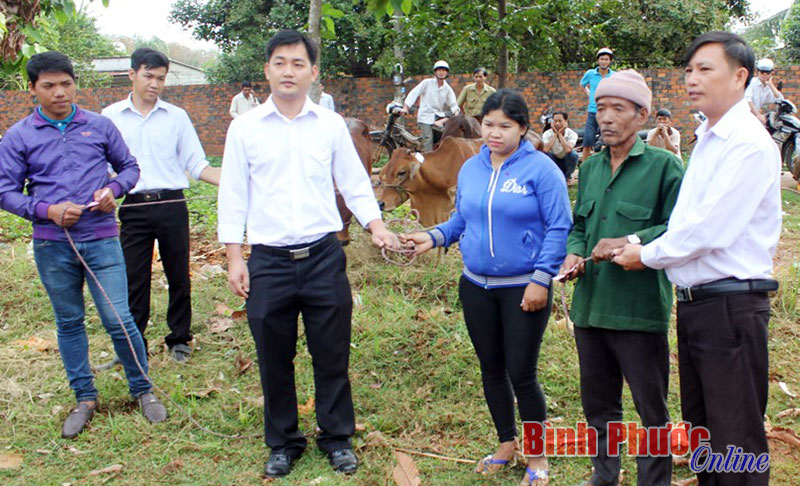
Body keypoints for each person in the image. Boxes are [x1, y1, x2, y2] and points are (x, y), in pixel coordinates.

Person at [217, 30, 399, 478]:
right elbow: (233, 195)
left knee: (331, 351)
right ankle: (283, 442)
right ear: (267, 70)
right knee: (274, 357)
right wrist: (235, 257)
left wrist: (376, 225)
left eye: (298, 63)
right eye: (280, 62)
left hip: (322, 255)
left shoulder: (329, 125)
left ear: (313, 72)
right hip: (269, 261)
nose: (288, 71)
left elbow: (354, 182)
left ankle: (336, 437)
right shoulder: (244, 129)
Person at [614, 32, 781, 486]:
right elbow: (686, 221)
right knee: (705, 431)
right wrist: (635, 239)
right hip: (699, 304)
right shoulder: (708, 137)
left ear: (740, 76)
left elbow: (710, 230)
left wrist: (645, 255)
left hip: (730, 306)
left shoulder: (745, 142)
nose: (691, 79)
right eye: (688, 70)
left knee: (735, 438)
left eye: (705, 69)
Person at [402, 89, 572, 486]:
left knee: (522, 373)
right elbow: (462, 219)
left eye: (505, 126)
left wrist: (541, 278)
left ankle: (538, 454)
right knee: (492, 368)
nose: (494, 134)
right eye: (489, 125)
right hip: (475, 285)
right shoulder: (473, 169)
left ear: (524, 128)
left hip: (523, 288)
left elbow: (559, 227)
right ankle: (506, 442)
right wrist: (434, 236)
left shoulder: (542, 170)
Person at [0, 52, 167, 438]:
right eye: (49, 86)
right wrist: (46, 210)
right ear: (33, 89)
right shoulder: (19, 136)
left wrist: (112, 190)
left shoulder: (99, 125)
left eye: (66, 84)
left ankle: (143, 390)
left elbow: (130, 168)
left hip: (102, 239)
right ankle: (84, 397)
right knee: (69, 322)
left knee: (118, 319)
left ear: (76, 84)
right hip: (52, 246)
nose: (59, 92)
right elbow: (6, 192)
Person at [560, 70, 684, 486]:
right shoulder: (591, 168)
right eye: (601, 109)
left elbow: (679, 229)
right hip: (591, 308)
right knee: (599, 403)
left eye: (618, 109)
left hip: (637, 310)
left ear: (642, 114)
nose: (607, 118)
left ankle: (654, 481)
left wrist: (629, 238)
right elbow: (580, 225)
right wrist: (574, 253)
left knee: (651, 409)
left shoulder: (664, 167)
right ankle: (604, 475)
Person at [102, 48, 221, 363]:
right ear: (132, 74)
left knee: (178, 275)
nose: (154, 84)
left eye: (160, 78)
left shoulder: (176, 116)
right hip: (133, 206)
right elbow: (100, 167)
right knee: (133, 278)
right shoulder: (110, 117)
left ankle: (179, 339)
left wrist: (234, 181)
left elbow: (197, 164)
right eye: (148, 76)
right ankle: (131, 345)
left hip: (172, 205)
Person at [401, 60, 461, 151]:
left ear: (447, 73)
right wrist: (406, 107)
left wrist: (455, 111)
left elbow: (453, 104)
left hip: (438, 117)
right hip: (426, 117)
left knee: (455, 117)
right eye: (439, 70)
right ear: (435, 72)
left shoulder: (447, 88)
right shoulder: (427, 83)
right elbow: (414, 93)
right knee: (428, 140)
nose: (441, 72)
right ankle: (427, 160)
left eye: (444, 70)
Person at [579, 47, 615, 163]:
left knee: (606, 141)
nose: (604, 61)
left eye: (606, 59)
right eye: (602, 59)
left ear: (610, 61)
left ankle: (603, 167)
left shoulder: (614, 75)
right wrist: (589, 94)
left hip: (608, 113)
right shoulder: (590, 73)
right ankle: (584, 169)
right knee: (588, 141)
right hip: (593, 111)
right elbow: (582, 85)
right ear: (598, 60)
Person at [541, 111, 579, 182]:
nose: (557, 123)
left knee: (573, 154)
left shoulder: (572, 134)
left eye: (560, 121)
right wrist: (555, 134)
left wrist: (560, 135)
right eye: (555, 121)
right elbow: (545, 149)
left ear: (565, 121)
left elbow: (568, 150)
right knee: (545, 154)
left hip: (566, 161)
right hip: (554, 161)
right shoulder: (547, 134)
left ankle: (567, 177)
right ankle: (552, 176)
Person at [745, 57, 782, 125]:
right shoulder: (752, 82)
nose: (764, 74)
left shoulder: (767, 87)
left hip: (753, 117)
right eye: (762, 72)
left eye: (767, 73)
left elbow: (779, 99)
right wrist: (758, 115)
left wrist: (770, 85)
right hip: (744, 115)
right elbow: (747, 100)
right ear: (758, 72)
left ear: (771, 73)